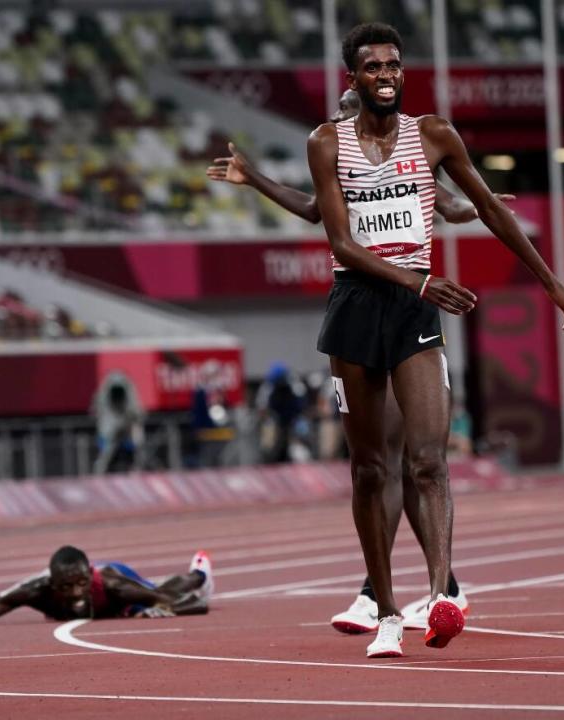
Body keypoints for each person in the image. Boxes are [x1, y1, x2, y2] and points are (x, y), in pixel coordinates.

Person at [305, 22, 564, 658]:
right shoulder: (327, 144)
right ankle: (382, 610)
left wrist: (553, 285)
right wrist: (421, 279)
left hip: (413, 310)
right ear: (353, 77)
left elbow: (489, 207)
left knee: (429, 459)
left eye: (394, 65)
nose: (387, 75)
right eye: (373, 67)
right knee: (371, 469)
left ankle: (438, 597)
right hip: (357, 305)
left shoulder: (433, 135)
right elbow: (341, 243)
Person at [207, 88, 517, 636]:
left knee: (408, 461)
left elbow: (447, 202)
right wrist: (253, 178)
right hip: (359, 313)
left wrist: (481, 207)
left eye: (352, 114)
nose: (346, 122)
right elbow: (313, 211)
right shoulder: (338, 157)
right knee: (382, 464)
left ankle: (405, 591)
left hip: (405, 310)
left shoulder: (402, 155)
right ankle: (404, 590)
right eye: (343, 114)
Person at [0, 546, 212, 627]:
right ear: (52, 584)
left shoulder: (114, 584)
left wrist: (162, 608)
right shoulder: (36, 591)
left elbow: (196, 604)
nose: (76, 592)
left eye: (81, 584)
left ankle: (199, 573)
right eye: (66, 586)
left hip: (116, 575)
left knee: (160, 589)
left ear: (89, 576)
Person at [92, 371, 145, 475]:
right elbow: (98, 417)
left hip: (127, 429)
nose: (118, 396)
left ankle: (136, 471)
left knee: (136, 439)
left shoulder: (130, 401)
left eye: (119, 392)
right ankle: (99, 475)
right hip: (110, 428)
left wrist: (129, 421)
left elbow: (138, 416)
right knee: (105, 452)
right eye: (115, 393)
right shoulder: (106, 406)